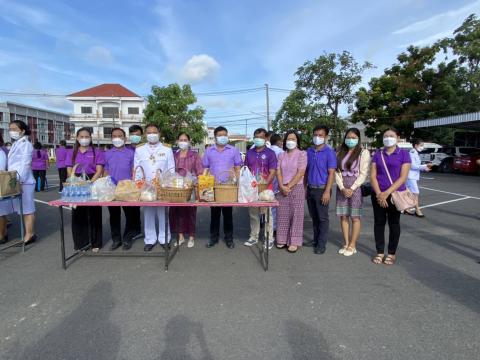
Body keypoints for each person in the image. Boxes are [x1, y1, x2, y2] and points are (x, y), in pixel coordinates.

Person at [370, 128, 411, 266]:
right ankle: (380, 252)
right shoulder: (377, 154)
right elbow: (373, 176)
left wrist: (386, 193)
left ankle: (391, 253)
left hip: (394, 194)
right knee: (379, 223)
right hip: (378, 194)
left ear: (397, 138)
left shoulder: (404, 154)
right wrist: (379, 194)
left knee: (394, 223)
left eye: (391, 136)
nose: (388, 138)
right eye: (386, 136)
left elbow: (403, 177)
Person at [134, 124, 175, 251]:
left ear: (159, 133)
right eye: (149, 132)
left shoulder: (167, 149)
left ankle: (164, 239)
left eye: (154, 132)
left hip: (162, 186)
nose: (152, 134)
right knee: (148, 213)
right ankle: (150, 240)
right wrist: (138, 185)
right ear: (145, 134)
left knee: (163, 213)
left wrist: (168, 184)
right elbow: (137, 169)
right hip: (146, 187)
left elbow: (171, 169)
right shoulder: (139, 149)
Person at [202, 126, 242, 249]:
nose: (223, 137)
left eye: (225, 135)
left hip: (228, 187)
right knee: (214, 215)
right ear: (215, 137)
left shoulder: (233, 150)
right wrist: (203, 184)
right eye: (220, 135)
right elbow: (206, 169)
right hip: (213, 187)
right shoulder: (209, 151)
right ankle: (213, 238)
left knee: (228, 214)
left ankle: (229, 239)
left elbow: (237, 167)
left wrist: (238, 183)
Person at [65, 127, 105, 252]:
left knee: (94, 213)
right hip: (77, 183)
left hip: (92, 181)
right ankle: (80, 243)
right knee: (78, 214)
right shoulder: (72, 152)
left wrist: (91, 182)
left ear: (90, 138)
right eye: (81, 137)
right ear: (77, 138)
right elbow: (69, 169)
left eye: (86, 136)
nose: (84, 139)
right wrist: (75, 181)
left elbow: (99, 170)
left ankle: (95, 243)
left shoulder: (96, 151)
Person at [335, 128, 371, 257]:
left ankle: (353, 244)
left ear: (358, 139)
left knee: (355, 217)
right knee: (343, 216)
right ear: (345, 138)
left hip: (355, 187)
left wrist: (353, 188)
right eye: (348, 137)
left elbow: (363, 173)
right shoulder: (339, 152)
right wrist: (342, 187)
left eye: (353, 137)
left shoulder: (363, 152)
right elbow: (336, 172)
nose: (350, 140)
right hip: (342, 188)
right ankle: (346, 243)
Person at [0, 120, 36, 245]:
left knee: (27, 209)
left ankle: (29, 234)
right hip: (16, 180)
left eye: (14, 128)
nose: (11, 131)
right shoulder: (16, 143)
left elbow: (25, 164)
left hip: (24, 181)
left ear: (22, 131)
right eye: (10, 128)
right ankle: (28, 233)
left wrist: (19, 181)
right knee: (22, 209)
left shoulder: (26, 144)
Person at [104, 128, 137, 251]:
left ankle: (127, 239)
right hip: (112, 188)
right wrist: (106, 184)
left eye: (120, 136)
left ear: (125, 138)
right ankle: (116, 240)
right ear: (111, 138)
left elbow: (134, 170)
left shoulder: (131, 153)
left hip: (127, 189)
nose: (117, 138)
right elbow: (106, 170)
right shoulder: (107, 153)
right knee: (114, 215)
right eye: (114, 136)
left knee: (130, 215)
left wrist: (133, 186)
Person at [243, 128, 277, 249]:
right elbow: (245, 170)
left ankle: (269, 238)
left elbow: (273, 171)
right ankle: (254, 236)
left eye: (261, 137)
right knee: (253, 214)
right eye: (256, 137)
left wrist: (265, 183)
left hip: (266, 188)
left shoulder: (270, 153)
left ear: (266, 138)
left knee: (267, 214)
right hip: (251, 189)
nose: (258, 139)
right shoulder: (250, 153)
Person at [305, 125, 337, 254]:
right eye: (315, 134)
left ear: (326, 137)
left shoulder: (330, 153)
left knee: (322, 218)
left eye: (321, 135)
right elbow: (306, 171)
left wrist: (327, 191)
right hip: (310, 188)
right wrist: (304, 187)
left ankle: (321, 244)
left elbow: (331, 173)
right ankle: (316, 239)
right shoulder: (309, 151)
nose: (317, 137)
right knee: (314, 217)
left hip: (322, 189)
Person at [169, 133, 203, 248]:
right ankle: (181, 236)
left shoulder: (194, 155)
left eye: (185, 140)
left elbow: (200, 172)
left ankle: (192, 236)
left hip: (190, 188)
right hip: (176, 188)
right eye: (181, 140)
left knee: (190, 213)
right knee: (176, 213)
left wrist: (196, 183)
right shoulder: (173, 155)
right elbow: (169, 171)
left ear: (189, 141)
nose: (183, 142)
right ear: (177, 141)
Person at [276, 130, 307, 253]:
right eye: (288, 139)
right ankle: (282, 239)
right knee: (282, 214)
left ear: (297, 141)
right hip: (282, 187)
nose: (291, 141)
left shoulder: (302, 154)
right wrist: (281, 185)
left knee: (296, 215)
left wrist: (288, 186)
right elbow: (278, 171)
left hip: (297, 187)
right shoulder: (281, 155)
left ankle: (294, 241)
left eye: (293, 139)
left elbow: (301, 172)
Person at [405, 139, 432, 217]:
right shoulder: (412, 153)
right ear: (416, 145)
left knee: (410, 193)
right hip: (411, 177)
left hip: (413, 176)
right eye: (421, 145)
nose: (422, 147)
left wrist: (425, 168)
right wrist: (425, 166)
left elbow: (416, 166)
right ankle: (417, 210)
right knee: (415, 193)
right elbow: (413, 166)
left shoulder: (415, 153)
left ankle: (407, 209)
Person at [267, 133, 284, 238]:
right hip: (278, 182)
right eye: (281, 141)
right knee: (275, 207)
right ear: (278, 141)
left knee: (266, 206)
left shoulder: (267, 151)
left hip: (267, 181)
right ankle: (274, 229)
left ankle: (267, 227)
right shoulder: (281, 152)